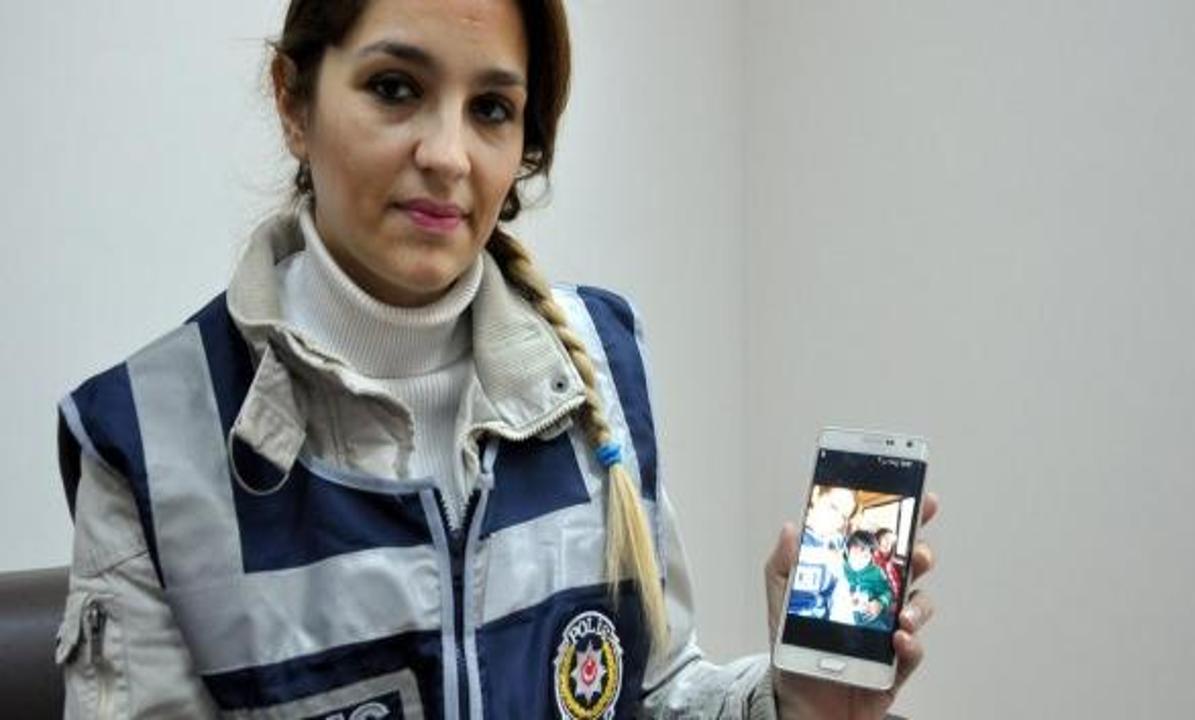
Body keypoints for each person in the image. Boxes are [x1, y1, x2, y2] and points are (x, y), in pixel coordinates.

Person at [53, 1, 938, 718]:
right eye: (395, 88)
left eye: (491, 109)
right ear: (294, 100)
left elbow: (656, 693)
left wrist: (793, 703)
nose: (448, 157)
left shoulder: (600, 362)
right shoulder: (146, 438)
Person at [786, 485, 856, 621]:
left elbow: (838, 586)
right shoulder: (790, 531)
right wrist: (822, 556)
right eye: (834, 507)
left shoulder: (836, 541)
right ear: (815, 494)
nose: (837, 520)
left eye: (843, 516)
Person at [842, 531, 895, 631]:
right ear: (847, 551)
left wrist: (880, 603)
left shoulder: (876, 572)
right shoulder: (841, 568)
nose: (859, 560)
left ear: (871, 556)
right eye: (856, 553)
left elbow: (887, 592)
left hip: (869, 616)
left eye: (865, 556)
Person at [874, 527, 904, 606]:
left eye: (891, 543)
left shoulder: (888, 562)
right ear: (878, 538)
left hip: (896, 599)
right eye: (886, 539)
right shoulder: (871, 559)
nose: (888, 544)